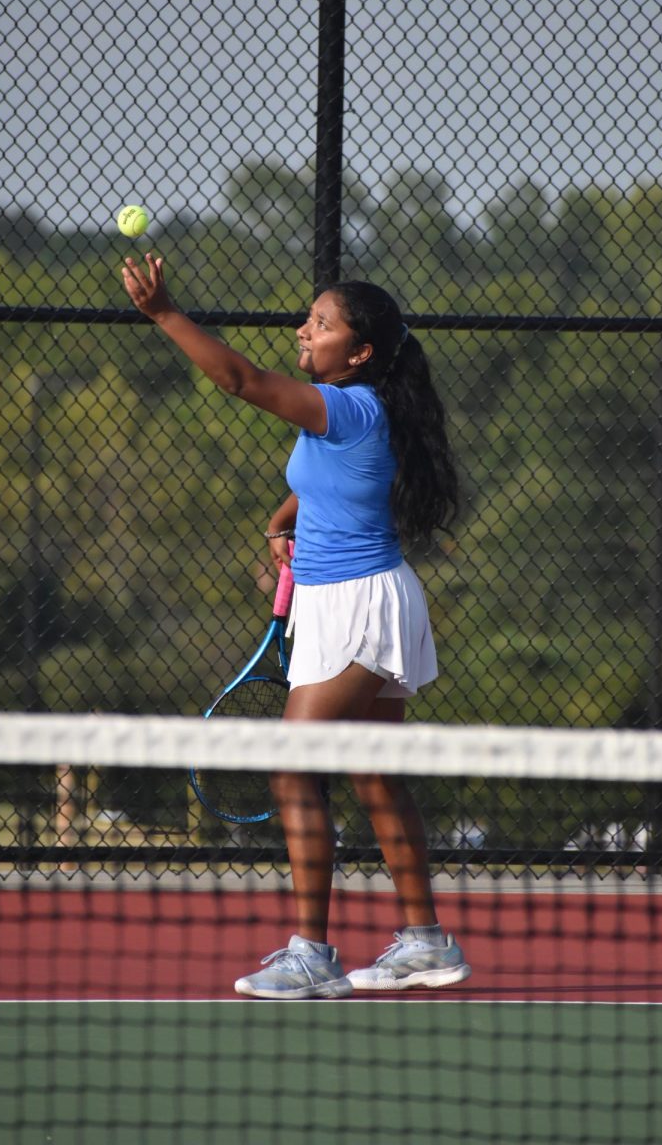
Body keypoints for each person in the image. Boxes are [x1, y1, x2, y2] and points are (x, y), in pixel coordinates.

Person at [122, 253, 471, 1000]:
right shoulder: (357, 411)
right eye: (309, 319)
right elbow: (325, 491)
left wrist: (164, 314)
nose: (303, 330)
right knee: (374, 775)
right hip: (341, 598)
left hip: (359, 607)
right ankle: (427, 942)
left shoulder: (345, 406)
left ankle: (313, 954)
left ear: (361, 351)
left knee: (290, 768)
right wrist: (285, 526)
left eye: (321, 323)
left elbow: (240, 381)